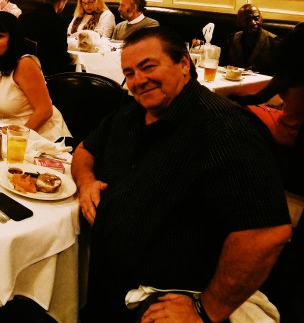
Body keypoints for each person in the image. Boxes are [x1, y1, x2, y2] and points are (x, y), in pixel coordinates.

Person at [71, 26, 291, 323]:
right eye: (130, 73)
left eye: (148, 67)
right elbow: (85, 150)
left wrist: (207, 309)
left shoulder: (225, 130)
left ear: (184, 64)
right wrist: (86, 182)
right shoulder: (130, 115)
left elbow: (266, 234)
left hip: (163, 301)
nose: (138, 80)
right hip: (106, 286)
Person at [0, 11, 68, 141]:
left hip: (43, 138)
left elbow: (44, 111)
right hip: (9, 135)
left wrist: (15, 138)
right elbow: (1, 105)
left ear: (12, 39)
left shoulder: (24, 65)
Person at [231, 22, 304, 147]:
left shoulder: (289, 73)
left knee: (240, 111)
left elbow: (258, 98)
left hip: (288, 132)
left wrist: (230, 98)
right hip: (298, 132)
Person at [18, 0, 73, 76]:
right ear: (62, 3)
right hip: (48, 72)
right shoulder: (59, 22)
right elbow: (61, 54)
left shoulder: (23, 17)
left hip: (22, 66)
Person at [222, 4, 281, 75]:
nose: (253, 23)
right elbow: (222, 67)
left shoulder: (275, 42)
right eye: (247, 20)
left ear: (261, 19)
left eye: (256, 18)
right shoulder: (231, 40)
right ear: (239, 22)